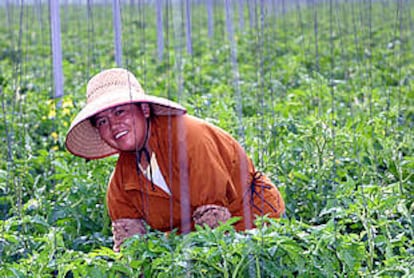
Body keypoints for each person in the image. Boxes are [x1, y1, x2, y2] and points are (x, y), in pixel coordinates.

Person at [65, 68, 285, 252]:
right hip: (190, 245)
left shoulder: (188, 137)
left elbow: (215, 229)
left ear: (144, 110)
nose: (113, 125)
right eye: (102, 121)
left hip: (254, 226)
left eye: (120, 112)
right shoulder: (121, 183)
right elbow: (129, 248)